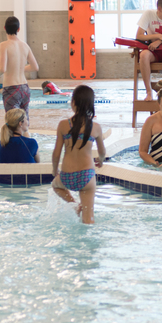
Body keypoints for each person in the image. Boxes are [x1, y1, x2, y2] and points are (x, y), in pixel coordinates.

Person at [51, 85, 107, 224]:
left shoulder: (63, 125)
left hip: (67, 176)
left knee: (55, 185)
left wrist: (54, 170)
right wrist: (100, 160)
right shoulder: (96, 127)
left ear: (73, 102)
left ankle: (74, 204)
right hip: (87, 176)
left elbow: (56, 153)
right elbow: (102, 152)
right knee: (89, 217)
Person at [0, 16, 40, 121]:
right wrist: (19, 68)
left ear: (4, 28)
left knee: (12, 123)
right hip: (25, 88)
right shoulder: (25, 45)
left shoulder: (4, 45)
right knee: (24, 122)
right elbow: (35, 67)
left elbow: (2, 69)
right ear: (18, 29)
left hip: (11, 88)